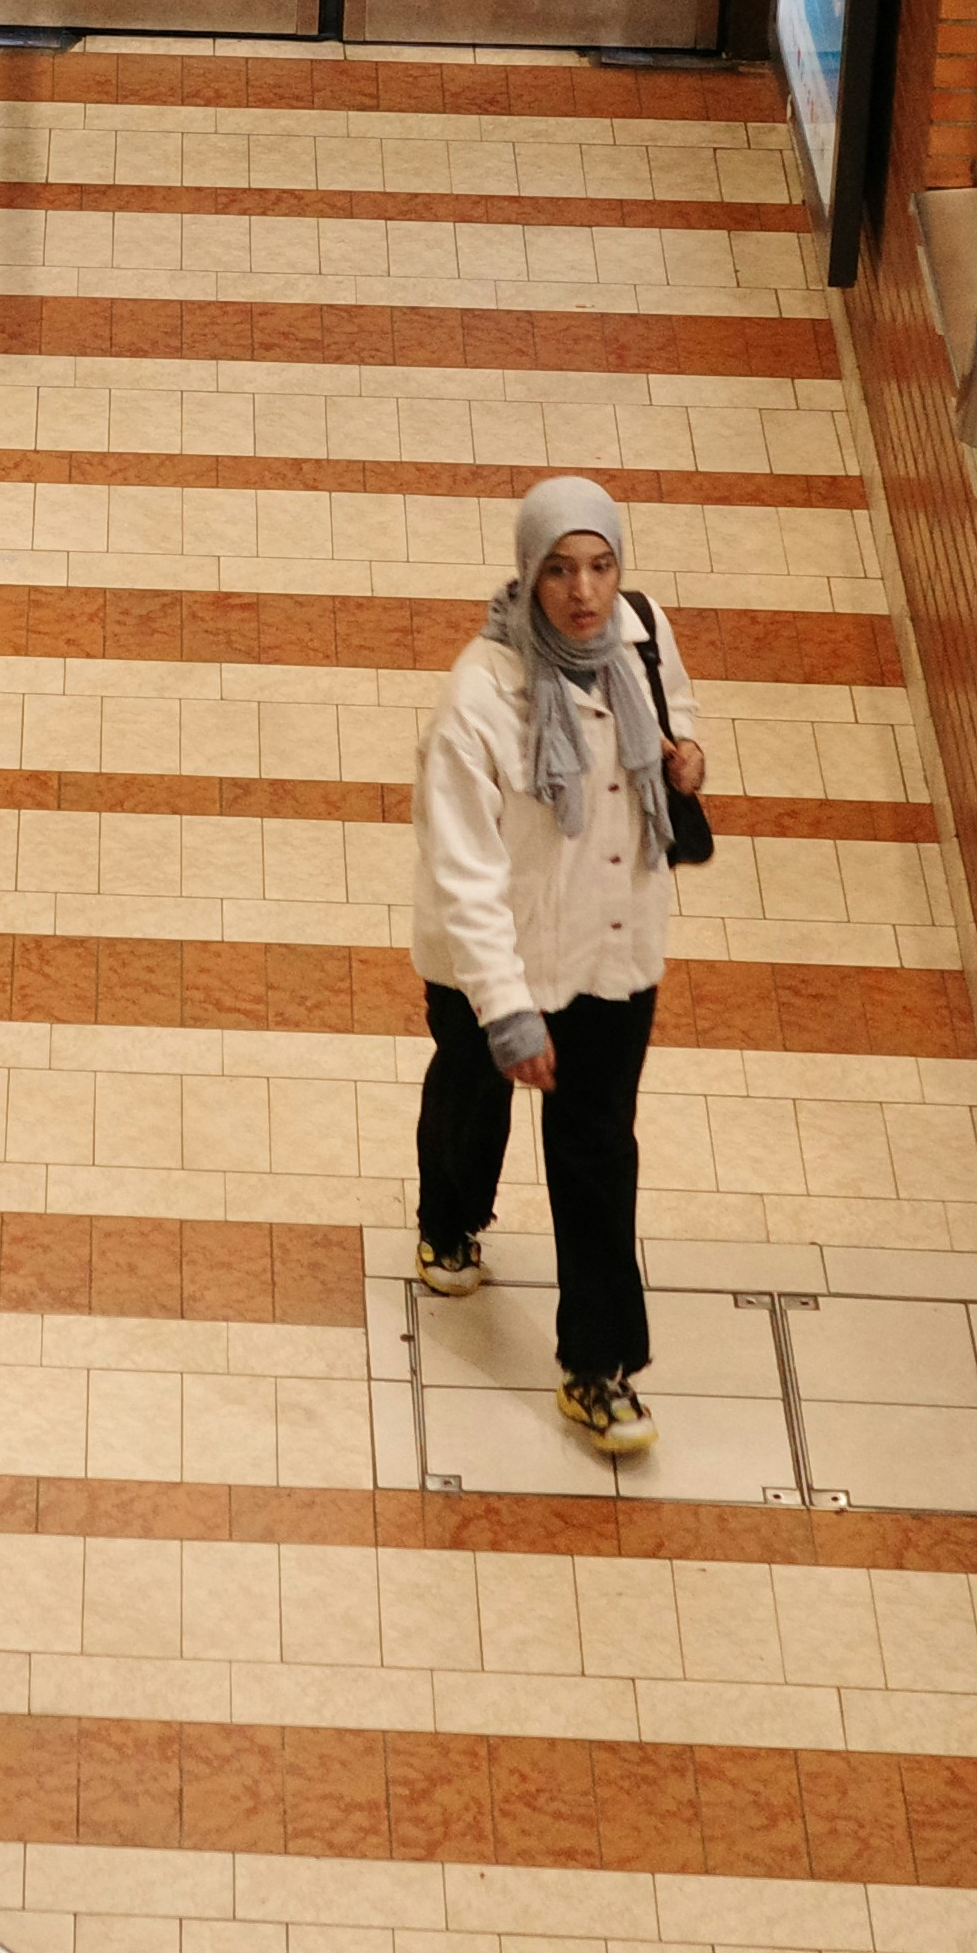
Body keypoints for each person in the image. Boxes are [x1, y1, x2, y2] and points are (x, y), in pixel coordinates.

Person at [411, 476, 705, 1456]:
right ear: (528, 573)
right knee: (471, 1095)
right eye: (561, 569)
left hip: (613, 952)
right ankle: (449, 1220)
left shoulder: (643, 633)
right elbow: (464, 873)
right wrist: (506, 1012)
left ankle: (598, 1367)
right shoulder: (478, 701)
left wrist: (686, 750)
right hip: (490, 958)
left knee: (596, 1152)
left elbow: (676, 700)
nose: (586, 591)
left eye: (602, 564)